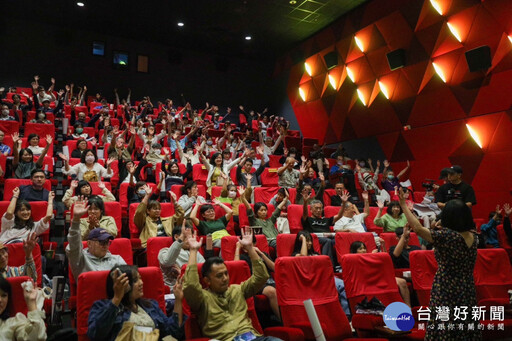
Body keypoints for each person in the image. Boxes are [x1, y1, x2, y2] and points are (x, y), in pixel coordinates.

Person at [398, 188, 480, 340]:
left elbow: (417, 228)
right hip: (467, 287)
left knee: (444, 325)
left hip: (446, 287)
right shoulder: (474, 237)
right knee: (465, 325)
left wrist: (403, 204)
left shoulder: (447, 236)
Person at [183, 229, 281, 341]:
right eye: (219, 276)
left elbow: (261, 277)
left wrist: (250, 249)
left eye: (226, 274)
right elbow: (191, 285)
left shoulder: (238, 289)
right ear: (207, 280)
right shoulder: (201, 298)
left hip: (253, 338)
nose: (225, 278)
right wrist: (193, 251)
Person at [87, 265, 185, 341]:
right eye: (135, 280)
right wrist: (117, 298)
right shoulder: (103, 306)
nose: (141, 283)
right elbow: (95, 335)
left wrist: (178, 300)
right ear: (123, 285)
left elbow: (173, 332)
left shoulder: (150, 305)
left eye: (140, 278)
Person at [292, 231, 351, 319]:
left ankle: (347, 315)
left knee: (342, 285)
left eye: (310, 241)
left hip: (323, 277)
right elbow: (303, 257)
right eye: (307, 241)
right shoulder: (295, 255)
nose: (310, 243)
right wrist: (303, 238)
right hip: (309, 280)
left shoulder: (316, 254)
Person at [66, 197, 126, 280]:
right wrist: (79, 221)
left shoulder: (116, 259)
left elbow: (113, 233)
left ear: (101, 210)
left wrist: (98, 226)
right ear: (89, 243)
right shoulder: (81, 259)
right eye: (101, 242)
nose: (105, 245)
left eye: (107, 242)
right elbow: (76, 241)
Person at [350, 241, 411, 307]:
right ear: (354, 250)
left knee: (402, 282)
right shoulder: (353, 259)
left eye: (364, 248)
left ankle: (408, 306)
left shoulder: (369, 257)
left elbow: (386, 259)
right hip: (367, 279)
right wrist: (371, 255)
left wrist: (383, 246)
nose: (363, 250)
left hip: (379, 276)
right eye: (360, 249)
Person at [301, 193, 346, 268]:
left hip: (328, 237)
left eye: (320, 208)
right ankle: (327, 265)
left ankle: (342, 264)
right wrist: (305, 202)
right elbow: (305, 213)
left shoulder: (326, 220)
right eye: (316, 208)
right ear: (311, 210)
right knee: (327, 241)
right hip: (315, 238)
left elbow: (339, 216)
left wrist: (343, 203)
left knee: (340, 239)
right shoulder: (308, 219)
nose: (319, 210)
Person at [158, 223, 205, 291]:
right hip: (174, 291)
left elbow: (204, 271)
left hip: (195, 289)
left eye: (191, 236)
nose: (189, 240)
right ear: (177, 237)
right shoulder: (164, 251)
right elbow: (167, 262)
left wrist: (182, 273)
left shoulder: (195, 252)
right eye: (186, 236)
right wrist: (180, 240)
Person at [0, 276, 46, 340]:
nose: (0, 300)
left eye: (4, 295)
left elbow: (36, 338)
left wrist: (31, 302)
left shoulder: (12, 324)